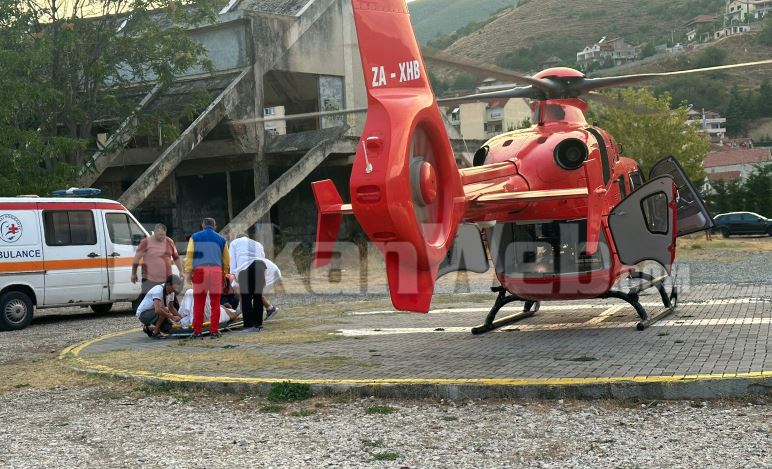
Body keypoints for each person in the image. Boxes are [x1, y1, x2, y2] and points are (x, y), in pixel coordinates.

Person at [185, 218, 229, 339]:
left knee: (199, 302)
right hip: (216, 271)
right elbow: (226, 260)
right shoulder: (222, 239)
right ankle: (214, 331)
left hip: (200, 271)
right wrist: (224, 275)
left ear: (203, 225)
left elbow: (189, 256)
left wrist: (189, 272)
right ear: (215, 226)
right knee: (215, 303)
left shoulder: (194, 237)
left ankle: (197, 331)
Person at [229, 233, 282, 332]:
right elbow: (263, 258)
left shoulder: (234, 243)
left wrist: (234, 276)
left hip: (245, 268)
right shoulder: (257, 243)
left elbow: (232, 260)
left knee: (246, 297)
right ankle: (258, 324)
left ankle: (249, 325)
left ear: (238, 238)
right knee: (257, 296)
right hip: (260, 266)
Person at [131, 223, 184, 296]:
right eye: (160, 235)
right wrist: (133, 273)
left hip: (166, 280)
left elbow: (176, 257)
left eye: (164, 235)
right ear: (155, 232)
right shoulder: (145, 242)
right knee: (148, 300)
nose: (162, 237)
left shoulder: (169, 241)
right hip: (149, 280)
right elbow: (137, 258)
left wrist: (181, 271)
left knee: (167, 299)